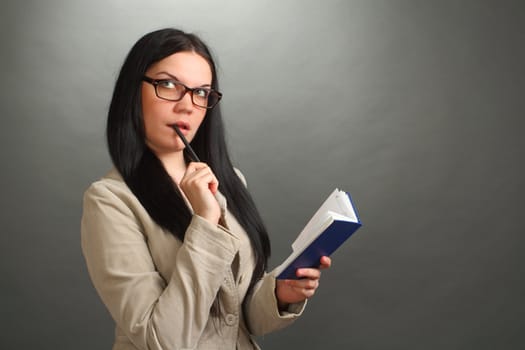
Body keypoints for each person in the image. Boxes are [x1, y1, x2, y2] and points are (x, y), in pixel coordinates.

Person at [81, 28, 332, 350]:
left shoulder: (229, 181)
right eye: (168, 85)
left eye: (201, 93)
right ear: (134, 91)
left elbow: (235, 317)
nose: (188, 105)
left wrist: (280, 294)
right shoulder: (110, 200)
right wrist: (206, 221)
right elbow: (161, 339)